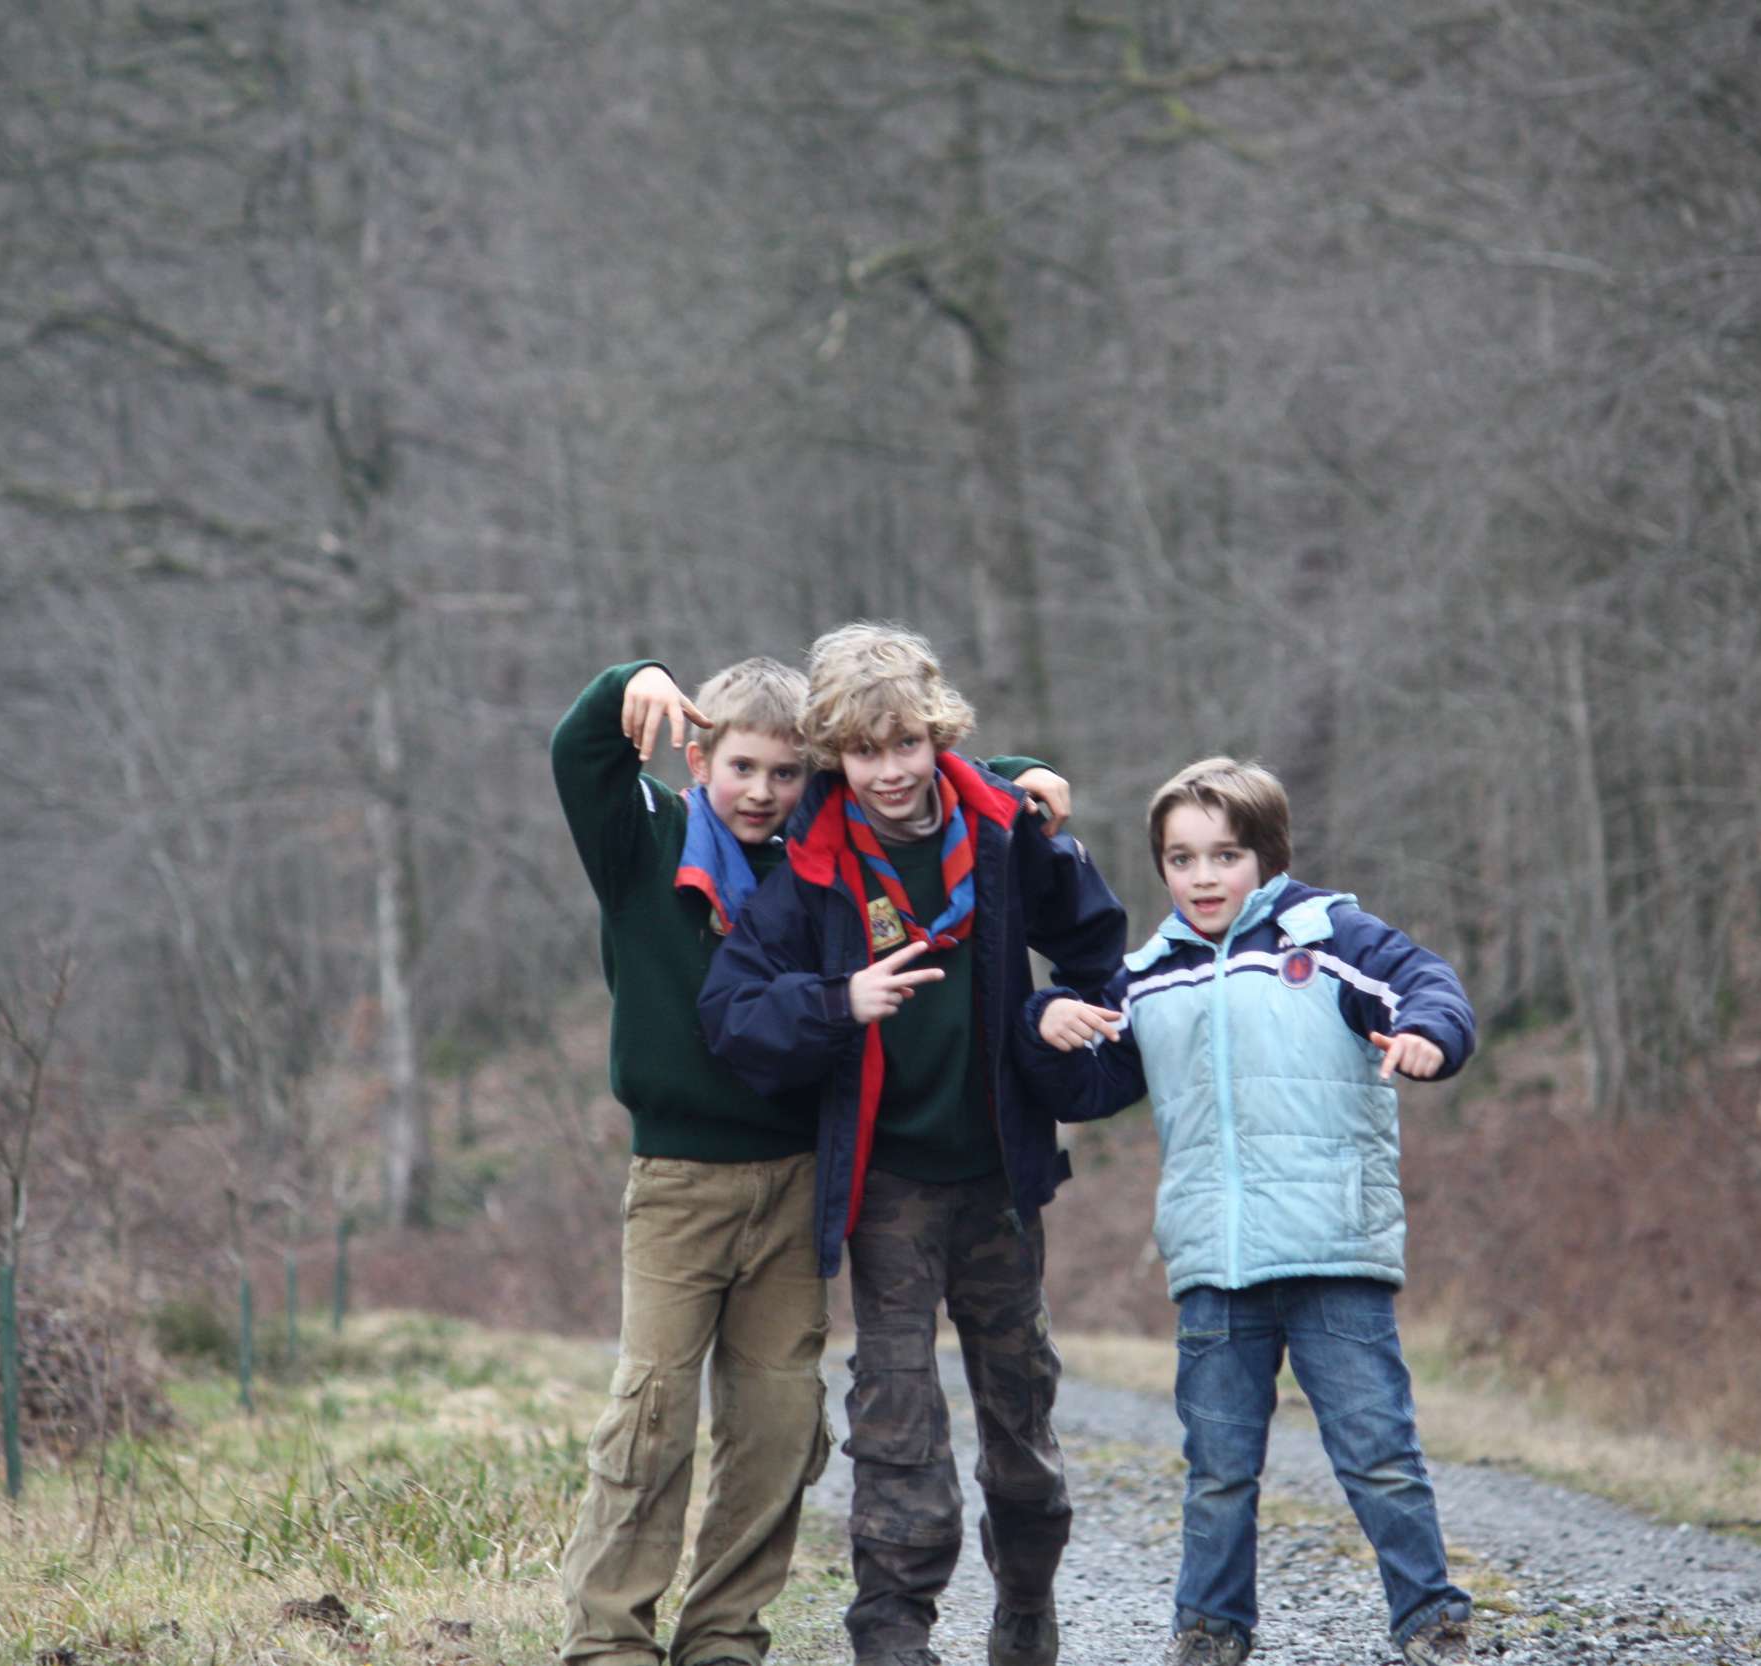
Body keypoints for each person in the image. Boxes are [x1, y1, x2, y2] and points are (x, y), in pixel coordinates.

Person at [548, 654, 1070, 1666]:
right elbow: (580, 757)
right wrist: (628, 680)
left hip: (802, 1174)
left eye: (787, 773)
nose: (761, 792)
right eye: (742, 768)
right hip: (680, 1183)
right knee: (652, 1412)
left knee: (780, 1423)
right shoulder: (644, 841)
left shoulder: (821, 851)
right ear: (700, 760)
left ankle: (724, 1637)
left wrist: (1025, 772)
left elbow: (920, 781)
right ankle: (609, 1638)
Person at [698, 622, 1128, 1666]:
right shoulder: (810, 869)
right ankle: (891, 1634)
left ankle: (1026, 1606)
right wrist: (835, 1002)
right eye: (862, 751)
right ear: (833, 757)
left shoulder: (1008, 836)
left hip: (1000, 1175)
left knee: (1021, 1423)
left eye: (906, 744)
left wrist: (1055, 1025)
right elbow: (731, 1013)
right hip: (887, 1184)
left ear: (939, 736)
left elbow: (1100, 954)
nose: (889, 771)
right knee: (895, 1426)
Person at [1019, 757, 1479, 1666]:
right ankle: (1209, 1629)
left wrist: (1429, 1034)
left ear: (1266, 856)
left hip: (1331, 1250)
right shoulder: (1148, 976)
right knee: (1218, 1470)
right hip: (1214, 1261)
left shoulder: (1328, 937)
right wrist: (1045, 1022)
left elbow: (1427, 984)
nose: (1202, 878)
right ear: (1160, 866)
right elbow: (1088, 1085)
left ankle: (1430, 1618)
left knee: (1377, 1454)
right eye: (1180, 859)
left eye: (1224, 856)